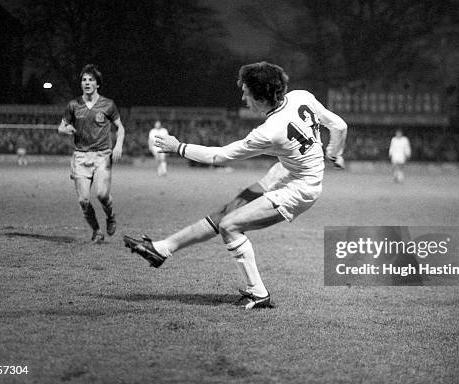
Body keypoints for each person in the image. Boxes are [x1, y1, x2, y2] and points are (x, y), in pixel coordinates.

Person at [123, 61, 347, 309]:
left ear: (261, 98)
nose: (243, 97)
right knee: (226, 213)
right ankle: (162, 249)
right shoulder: (301, 96)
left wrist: (178, 147)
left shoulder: (270, 131)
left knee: (230, 226)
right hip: (285, 172)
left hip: (301, 188)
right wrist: (334, 152)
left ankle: (258, 293)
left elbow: (221, 156)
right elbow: (339, 125)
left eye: (246, 93)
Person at [57, 64, 125, 242]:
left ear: (97, 84)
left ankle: (110, 216)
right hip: (80, 156)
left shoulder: (108, 104)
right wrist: (67, 129)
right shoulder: (73, 105)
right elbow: (61, 127)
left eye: (90, 80)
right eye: (84, 80)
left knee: (102, 194)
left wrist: (118, 146)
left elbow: (121, 127)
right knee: (83, 200)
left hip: (103, 155)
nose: (87, 82)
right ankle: (96, 231)